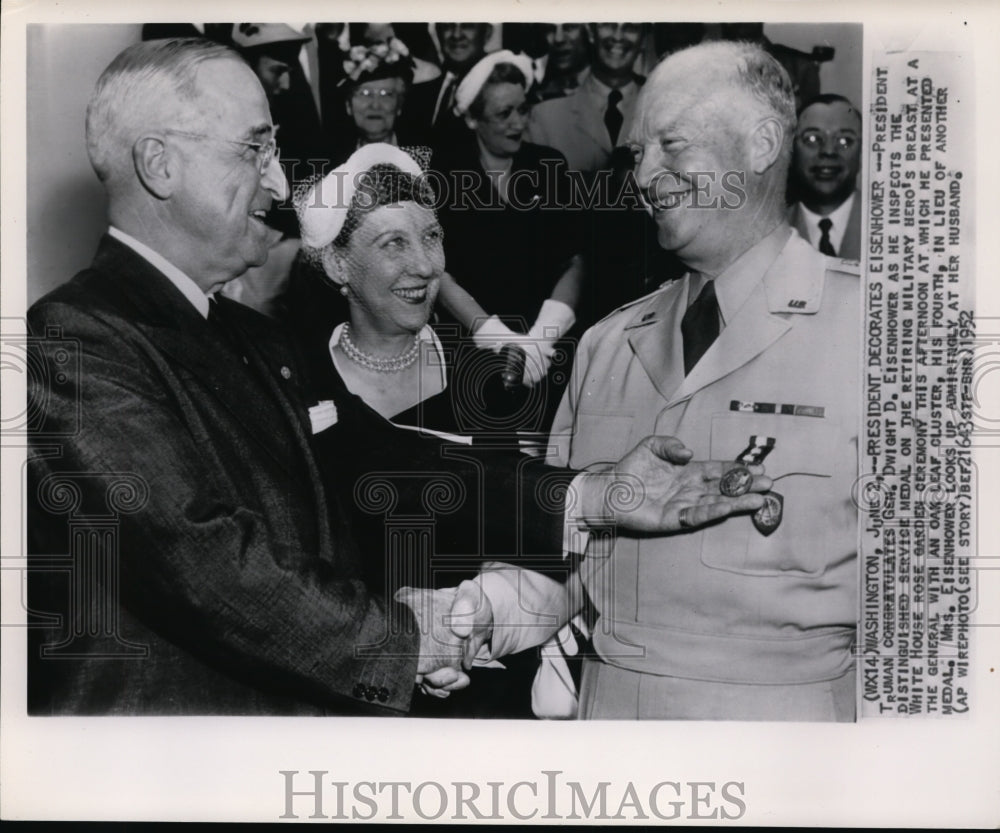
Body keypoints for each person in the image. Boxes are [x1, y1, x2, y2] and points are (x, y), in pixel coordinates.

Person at [26, 37, 767, 716]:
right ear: (159, 164)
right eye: (254, 148)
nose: (278, 179)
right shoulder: (78, 337)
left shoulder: (250, 336)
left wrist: (593, 492)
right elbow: (207, 564)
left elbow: (380, 461)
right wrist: (413, 640)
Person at [460, 40, 861, 722]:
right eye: (638, 152)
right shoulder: (606, 344)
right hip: (610, 731)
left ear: (762, 144)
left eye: (671, 145)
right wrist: (477, 611)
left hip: (788, 747)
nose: (645, 173)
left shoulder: (876, 331)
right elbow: (569, 560)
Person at [436, 50, 585, 396]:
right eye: (504, 114)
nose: (519, 123)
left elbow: (575, 259)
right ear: (473, 120)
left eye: (523, 109)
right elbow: (439, 273)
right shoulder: (444, 174)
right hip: (472, 348)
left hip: (548, 349)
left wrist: (541, 340)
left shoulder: (548, 165)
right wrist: (497, 338)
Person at [526, 23, 646, 180]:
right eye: (608, 25)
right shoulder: (543, 116)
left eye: (630, 27)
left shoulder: (660, 111)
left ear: (643, 39)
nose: (617, 37)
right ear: (590, 32)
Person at [788, 93, 863, 260]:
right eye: (813, 138)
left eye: (844, 141)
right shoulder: (766, 236)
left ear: (863, 152)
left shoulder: (896, 229)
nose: (828, 151)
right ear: (791, 151)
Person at [406, 23, 493, 155]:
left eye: (467, 26)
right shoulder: (418, 93)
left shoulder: (498, 88)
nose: (456, 35)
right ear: (437, 32)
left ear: (486, 32)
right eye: (448, 26)